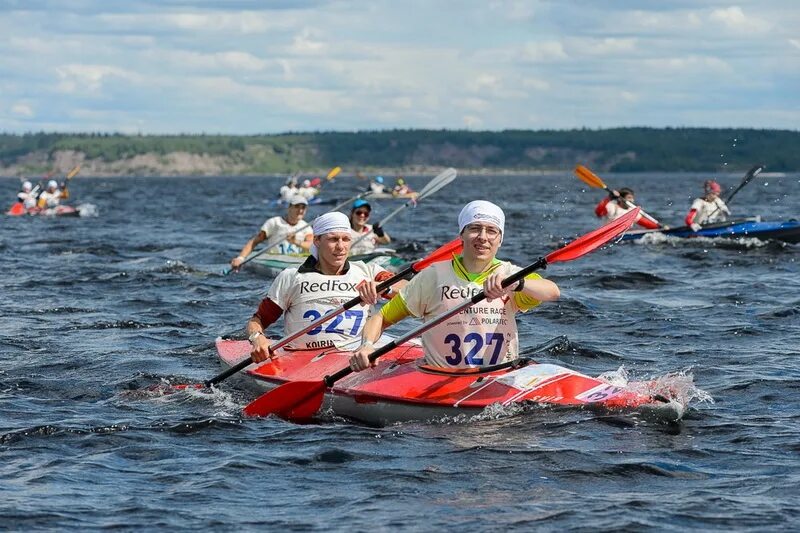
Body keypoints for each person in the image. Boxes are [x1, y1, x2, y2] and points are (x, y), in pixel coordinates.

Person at [349, 200, 560, 372]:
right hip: (440, 377)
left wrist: (518, 284)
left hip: (496, 376)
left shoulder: (510, 273)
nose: (483, 237)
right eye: (475, 229)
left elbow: (553, 292)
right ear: (462, 235)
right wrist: (367, 345)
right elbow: (381, 318)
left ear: (500, 240)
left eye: (491, 231)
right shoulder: (433, 275)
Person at [246, 212, 406, 360]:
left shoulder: (367, 270)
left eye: (346, 239)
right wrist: (257, 338)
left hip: (359, 354)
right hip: (304, 360)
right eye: (333, 239)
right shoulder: (292, 276)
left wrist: (384, 287)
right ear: (317, 240)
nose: (341, 247)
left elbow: (410, 290)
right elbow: (258, 319)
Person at [230, 195, 313, 270]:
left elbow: (312, 246)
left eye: (303, 207)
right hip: (275, 262)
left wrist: (296, 242)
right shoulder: (274, 223)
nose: (300, 210)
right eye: (297, 206)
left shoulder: (307, 227)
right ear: (289, 208)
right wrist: (240, 258)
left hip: (296, 263)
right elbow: (254, 242)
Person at [594, 187, 661, 229]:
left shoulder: (632, 211)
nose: (632, 201)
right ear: (621, 199)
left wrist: (659, 227)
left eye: (632, 198)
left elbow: (645, 223)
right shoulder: (611, 205)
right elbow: (598, 212)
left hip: (624, 234)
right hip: (608, 233)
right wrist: (609, 197)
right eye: (629, 198)